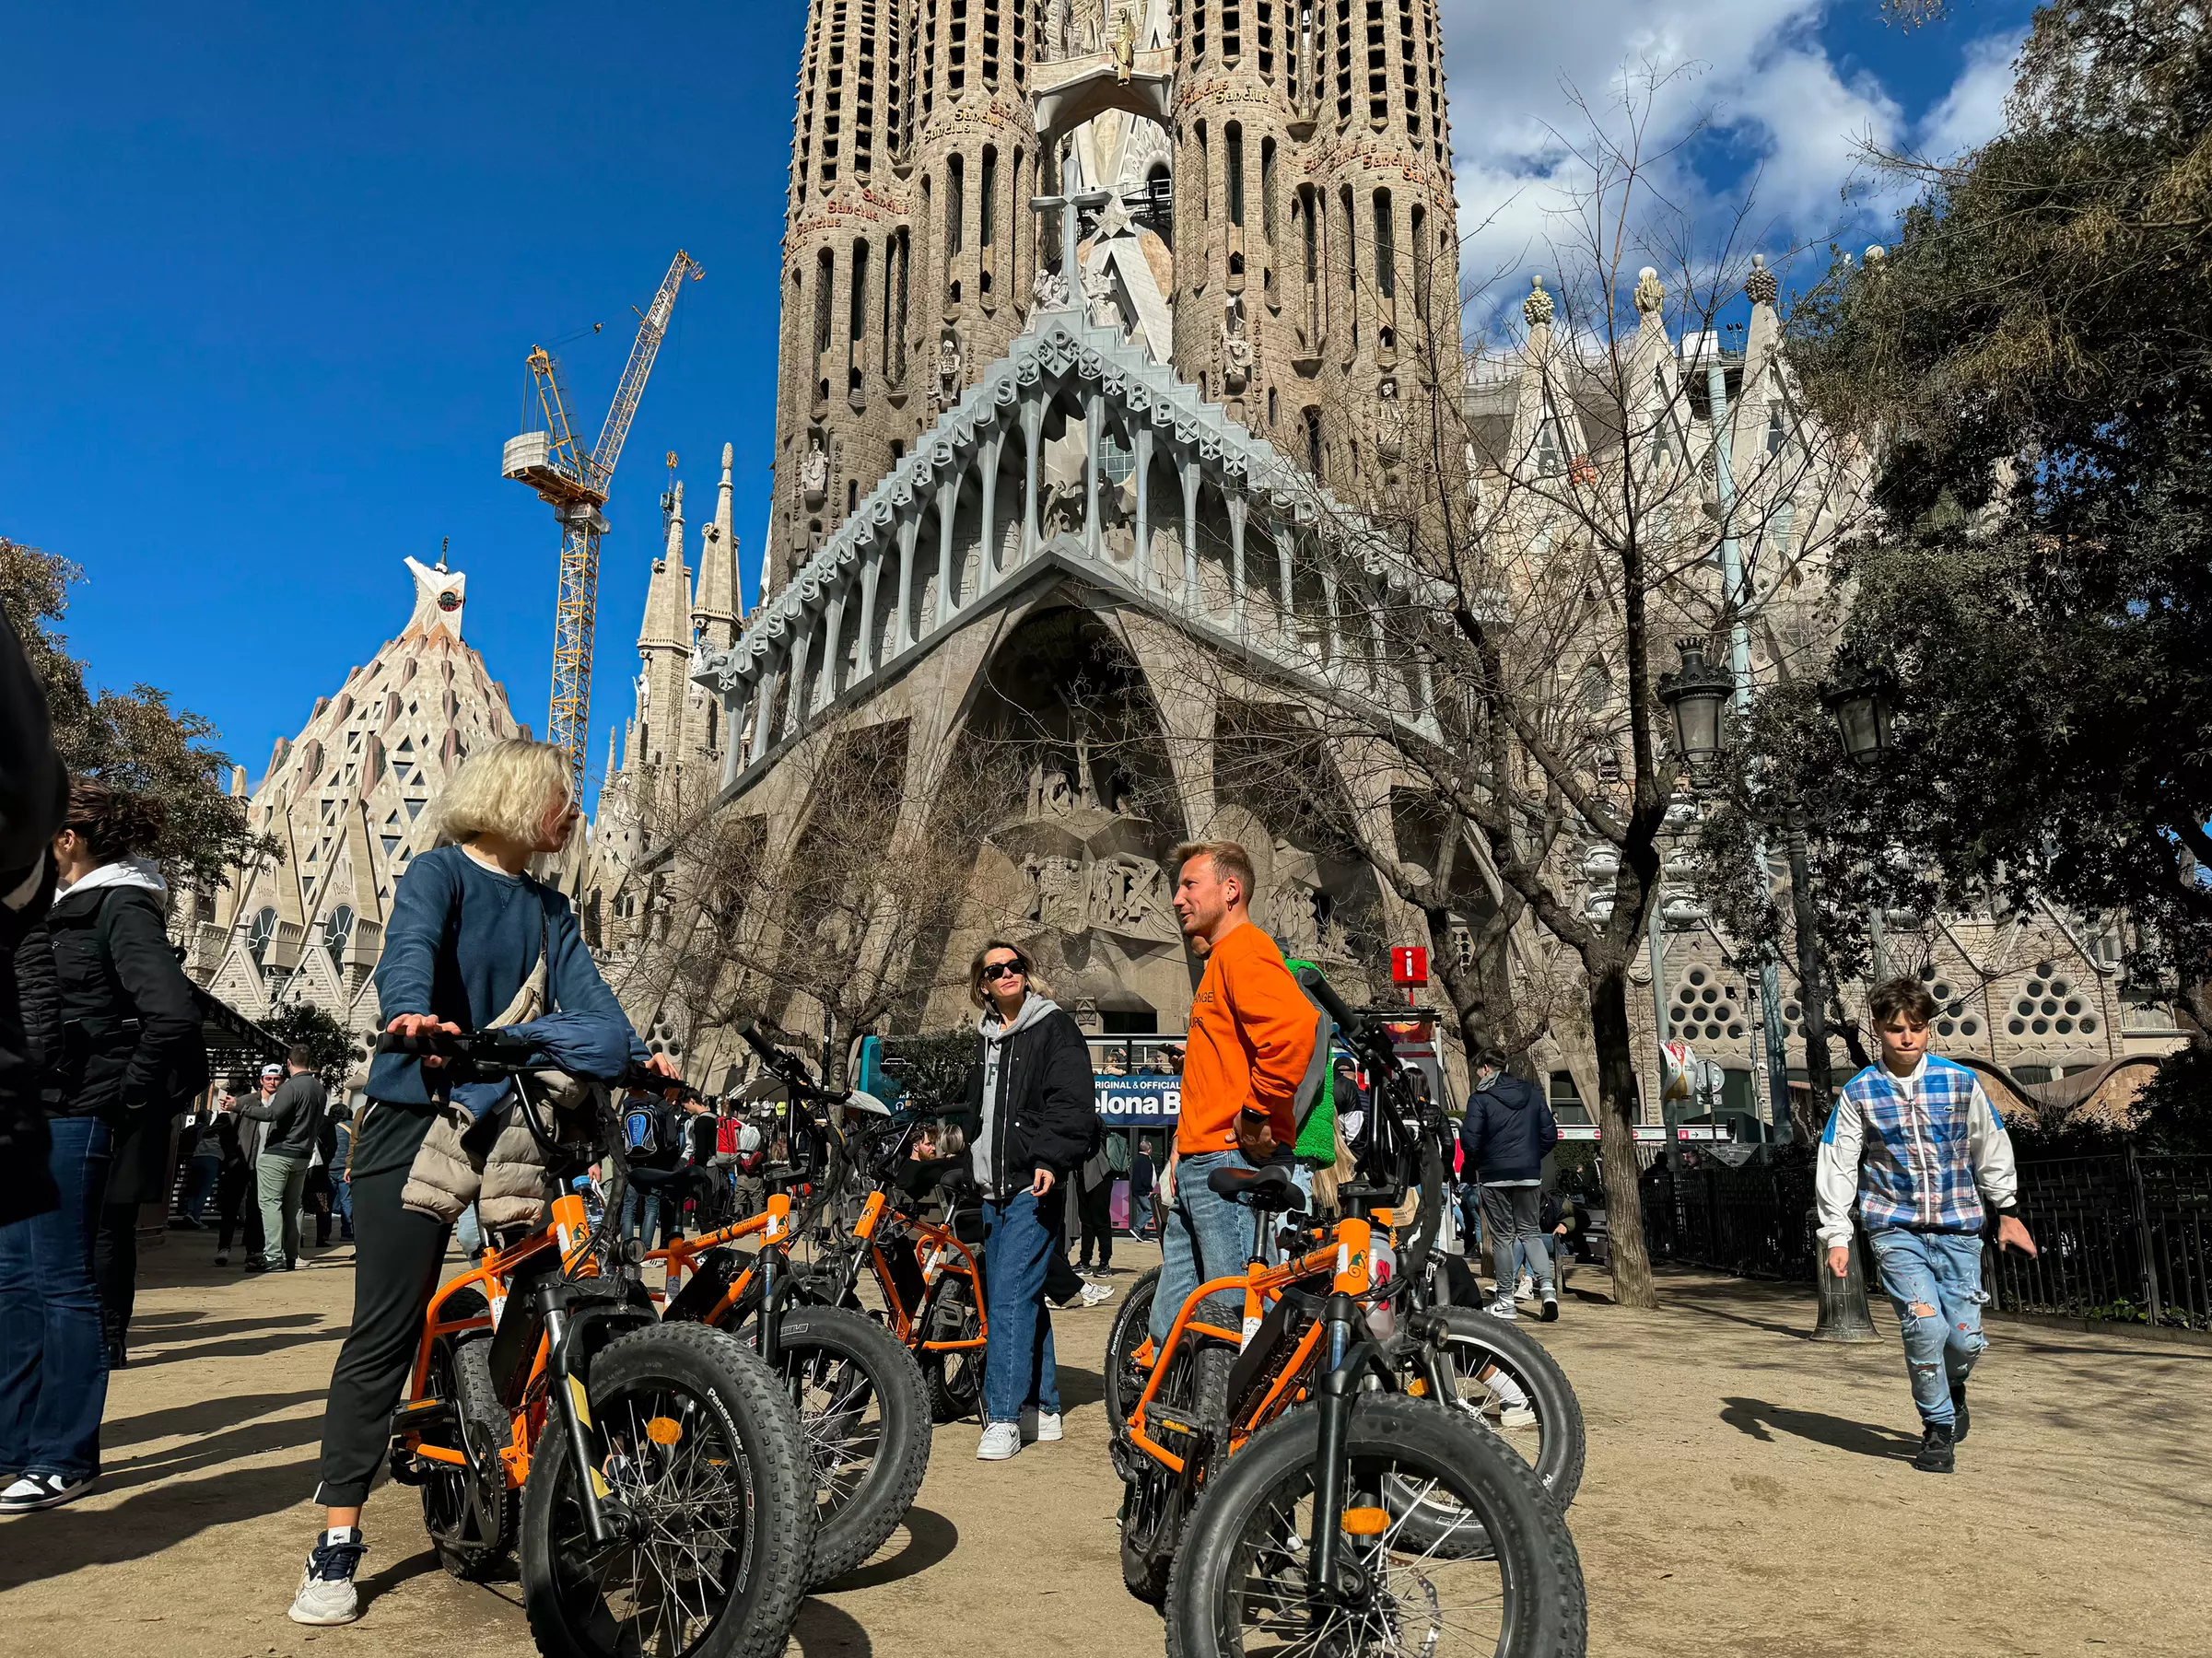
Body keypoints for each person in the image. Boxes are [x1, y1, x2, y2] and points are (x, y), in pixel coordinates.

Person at [287, 739, 671, 1625]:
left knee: (553, 1299)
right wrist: (410, 1012)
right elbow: (409, 950)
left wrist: (639, 1056)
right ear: (517, 800)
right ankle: (336, 1543)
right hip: (419, 1117)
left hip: (516, 1128)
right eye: (561, 799)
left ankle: (532, 1466)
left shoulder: (551, 910)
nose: (572, 815)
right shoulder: (438, 875)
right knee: (383, 1329)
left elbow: (599, 1014)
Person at [1, 778, 203, 1510]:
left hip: (76, 1114)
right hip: (30, 1113)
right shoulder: (49, 910)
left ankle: (65, 1454)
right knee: (14, 1282)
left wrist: (126, 1094)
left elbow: (171, 1015)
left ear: (66, 840)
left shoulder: (121, 905)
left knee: (61, 1283)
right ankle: (13, 1446)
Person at [1817, 976, 2037, 1476]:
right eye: (1896, 1029)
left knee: (1963, 1339)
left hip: (1959, 1228)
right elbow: (1838, 1159)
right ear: (1878, 1029)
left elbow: (1990, 1144)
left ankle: (1953, 1387)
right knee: (1923, 1326)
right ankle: (1937, 1427)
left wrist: (2006, 1209)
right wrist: (1837, 1233)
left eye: (1917, 1028)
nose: (1907, 1038)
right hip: (1894, 1229)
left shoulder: (1961, 1081)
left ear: (1929, 1030)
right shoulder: (1859, 1092)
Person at [1149, 843, 1323, 1352]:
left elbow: (1293, 1034)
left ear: (1231, 891)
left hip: (1227, 1165)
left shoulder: (1245, 949)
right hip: (1198, 1163)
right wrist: (1182, 1147)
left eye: (1189, 885)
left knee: (1240, 1324)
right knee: (1172, 1324)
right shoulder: (1220, 960)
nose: (1177, 898)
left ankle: (1259, 1430)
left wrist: (1253, 1113)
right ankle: (1170, 1422)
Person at [959, 940, 1096, 1462]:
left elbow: (1072, 1101)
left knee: (1008, 1298)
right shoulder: (987, 1039)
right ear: (984, 986)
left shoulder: (1053, 1027)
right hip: (991, 1187)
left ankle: (1003, 1417)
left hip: (1030, 1185)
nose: (1008, 973)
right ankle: (1044, 1406)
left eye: (1015, 965)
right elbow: (981, 1113)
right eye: (997, 969)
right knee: (1023, 1296)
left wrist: (1049, 1157)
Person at [1459, 1047, 1560, 1323]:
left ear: (1486, 1069)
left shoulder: (1480, 1098)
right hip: (1528, 1173)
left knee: (1503, 1237)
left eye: (1478, 1070)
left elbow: (1470, 1141)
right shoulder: (1531, 1094)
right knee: (1531, 1232)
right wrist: (1530, 1157)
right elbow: (1549, 1134)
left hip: (1494, 1175)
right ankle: (1548, 1290)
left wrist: (1481, 1162)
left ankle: (1505, 1299)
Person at [240, 1048, 328, 1272]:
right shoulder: (319, 1089)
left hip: (279, 1152)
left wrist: (238, 1107)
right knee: (294, 1206)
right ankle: (291, 1255)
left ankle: (273, 1257)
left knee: (270, 1204)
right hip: (302, 1155)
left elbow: (271, 1114)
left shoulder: (291, 1087)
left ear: (289, 1063)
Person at [213, 1073, 260, 1266]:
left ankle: (251, 1249)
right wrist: (232, 1158)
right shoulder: (243, 1103)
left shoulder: (276, 1104)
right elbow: (228, 1133)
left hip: (259, 1163)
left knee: (254, 1208)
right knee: (231, 1206)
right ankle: (224, 1247)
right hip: (240, 1162)